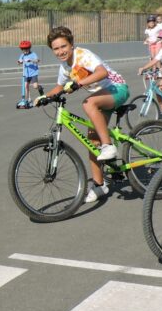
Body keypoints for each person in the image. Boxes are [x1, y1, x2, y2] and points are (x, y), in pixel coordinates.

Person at [34, 26, 130, 203]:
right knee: (92, 142)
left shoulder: (83, 55)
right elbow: (59, 87)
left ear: (71, 45)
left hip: (117, 89)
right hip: (101, 97)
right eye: (56, 48)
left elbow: (103, 72)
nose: (60, 51)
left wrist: (78, 84)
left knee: (88, 103)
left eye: (63, 46)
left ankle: (108, 146)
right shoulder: (65, 66)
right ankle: (99, 185)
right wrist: (43, 97)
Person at [16, 40, 43, 109]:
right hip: (25, 74)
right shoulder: (22, 55)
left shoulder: (33, 54)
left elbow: (38, 60)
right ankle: (29, 99)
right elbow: (19, 62)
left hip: (33, 73)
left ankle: (40, 87)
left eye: (26, 49)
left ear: (29, 48)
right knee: (26, 86)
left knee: (35, 86)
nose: (24, 51)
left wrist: (31, 60)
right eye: (23, 49)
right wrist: (19, 62)